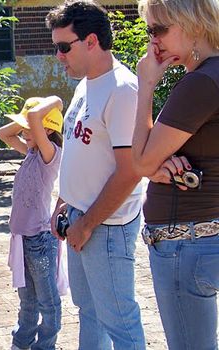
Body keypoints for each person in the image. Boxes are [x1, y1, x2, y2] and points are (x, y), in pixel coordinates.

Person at [46, 1, 146, 349]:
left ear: (91, 41)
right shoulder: (86, 84)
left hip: (105, 225)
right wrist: (64, 201)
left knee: (119, 321)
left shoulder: (122, 89)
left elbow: (130, 171)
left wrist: (86, 223)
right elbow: (80, 150)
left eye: (63, 46)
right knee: (89, 313)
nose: (58, 55)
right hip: (81, 217)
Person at [131, 1, 219, 349]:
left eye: (158, 29)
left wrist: (147, 85)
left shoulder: (200, 83)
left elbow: (138, 163)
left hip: (186, 245)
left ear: (191, 22)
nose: (153, 42)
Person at [0, 96, 65, 350]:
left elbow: (36, 118)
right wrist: (26, 123)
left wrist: (56, 101)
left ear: (47, 130)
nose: (24, 133)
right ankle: (22, 341)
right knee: (27, 300)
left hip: (39, 239)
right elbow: (4, 133)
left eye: (29, 129)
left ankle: (44, 345)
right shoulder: (32, 152)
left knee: (48, 302)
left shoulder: (50, 155)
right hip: (22, 239)